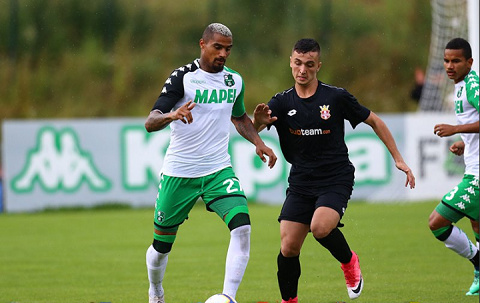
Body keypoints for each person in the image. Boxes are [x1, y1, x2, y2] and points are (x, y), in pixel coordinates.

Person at [253, 38, 416, 302]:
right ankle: (289, 301)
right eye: (297, 63)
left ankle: (350, 263)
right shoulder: (282, 102)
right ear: (290, 63)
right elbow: (255, 128)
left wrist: (398, 158)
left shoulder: (336, 97)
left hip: (335, 177)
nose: (302, 70)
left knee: (319, 228)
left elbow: (374, 120)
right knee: (288, 247)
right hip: (301, 181)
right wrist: (257, 124)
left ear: (318, 65)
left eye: (308, 65)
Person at [144, 23, 277, 303]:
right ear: (202, 44)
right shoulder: (183, 77)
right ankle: (155, 289)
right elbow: (150, 121)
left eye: (228, 49)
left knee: (242, 227)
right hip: (179, 173)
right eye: (218, 47)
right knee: (161, 247)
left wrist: (258, 141)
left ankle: (228, 297)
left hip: (218, 170)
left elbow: (239, 118)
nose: (223, 54)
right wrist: (172, 115)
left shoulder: (234, 81)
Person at [429, 37, 479, 296]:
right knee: (476, 222)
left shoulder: (473, 85)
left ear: (469, 62)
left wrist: (456, 129)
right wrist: (464, 141)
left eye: (456, 61)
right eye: (446, 60)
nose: (450, 65)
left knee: (437, 222)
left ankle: (478, 261)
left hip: (478, 177)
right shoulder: (460, 86)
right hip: (473, 169)